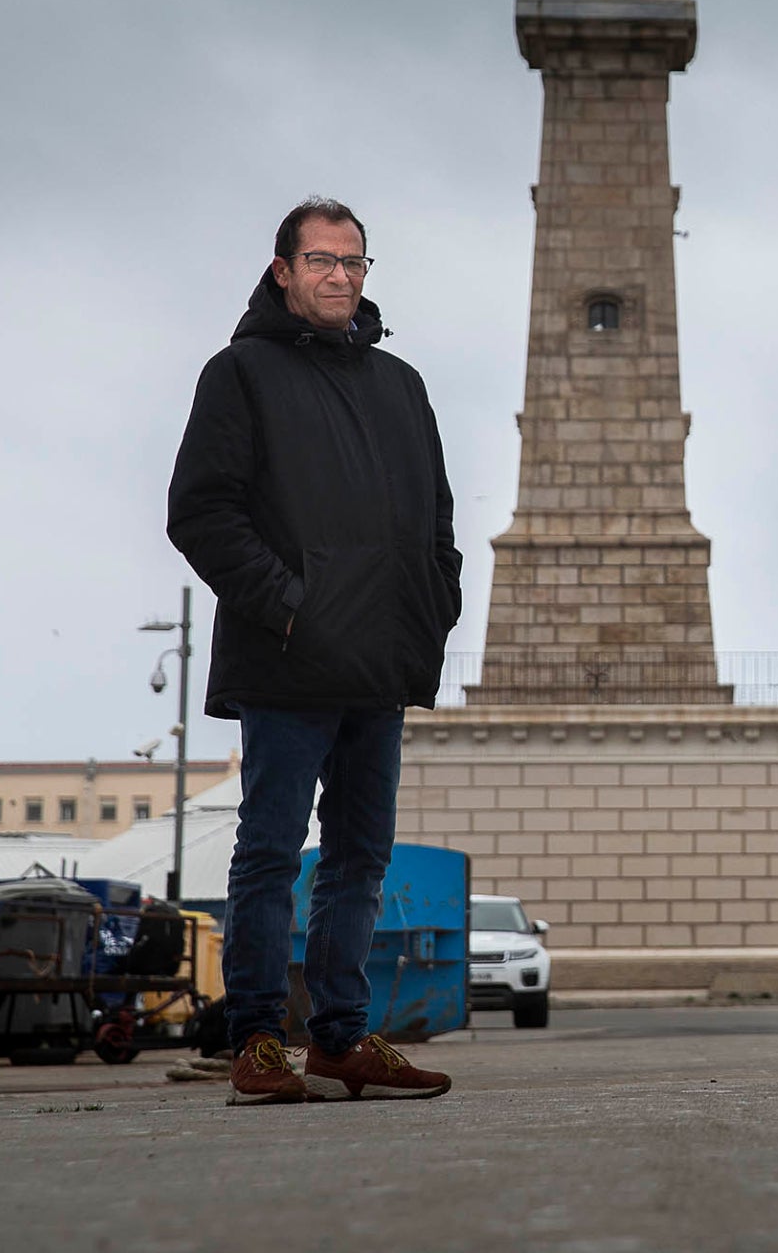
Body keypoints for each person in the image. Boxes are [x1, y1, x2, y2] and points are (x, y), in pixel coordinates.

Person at [168, 198, 461, 1106]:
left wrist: (432, 609)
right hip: (289, 661)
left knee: (360, 859)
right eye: (322, 259)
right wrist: (291, 609)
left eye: (355, 262)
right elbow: (202, 513)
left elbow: (436, 522)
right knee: (269, 850)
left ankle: (340, 1037)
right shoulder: (239, 374)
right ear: (282, 269)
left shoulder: (401, 383)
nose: (341, 275)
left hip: (380, 662)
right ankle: (256, 1038)